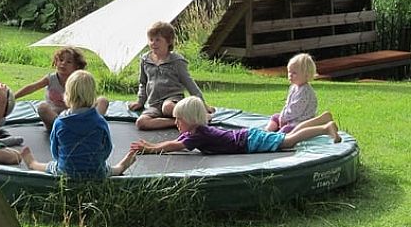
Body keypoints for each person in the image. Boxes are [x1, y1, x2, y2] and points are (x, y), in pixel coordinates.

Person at [131, 96, 341, 157]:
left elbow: (173, 146)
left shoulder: (197, 136)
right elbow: (176, 141)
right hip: (246, 137)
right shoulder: (196, 131)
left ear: (191, 120)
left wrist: (151, 148)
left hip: (248, 141)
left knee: (289, 140)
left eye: (179, 120)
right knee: (287, 135)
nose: (175, 123)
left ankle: (325, 128)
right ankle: (322, 121)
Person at [21, 70, 136, 178]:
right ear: (93, 95)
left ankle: (33, 164)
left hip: (66, 171)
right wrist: (99, 161)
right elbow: (107, 148)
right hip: (95, 172)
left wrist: (63, 161)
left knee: (51, 166)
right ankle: (121, 167)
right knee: (111, 170)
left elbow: (55, 150)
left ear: (67, 95)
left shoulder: (60, 122)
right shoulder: (100, 122)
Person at [128, 21, 212, 131]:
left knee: (167, 107)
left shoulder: (176, 61)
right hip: (154, 104)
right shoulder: (145, 59)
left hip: (173, 100)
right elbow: (143, 83)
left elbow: (189, 83)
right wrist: (140, 101)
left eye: (158, 40)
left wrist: (203, 105)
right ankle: (177, 122)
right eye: (151, 39)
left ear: (168, 41)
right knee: (141, 122)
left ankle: (196, 117)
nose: (153, 43)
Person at [14, 46, 108, 131]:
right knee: (42, 107)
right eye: (61, 60)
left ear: (77, 66)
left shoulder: (78, 80)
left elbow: (88, 97)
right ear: (56, 62)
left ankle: (95, 125)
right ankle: (66, 128)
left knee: (103, 100)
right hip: (55, 118)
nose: (63, 64)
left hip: (75, 114)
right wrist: (14, 97)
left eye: (69, 62)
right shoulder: (51, 78)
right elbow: (33, 87)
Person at [265, 53, 327, 133]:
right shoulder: (294, 87)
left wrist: (284, 118)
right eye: (289, 72)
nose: (290, 75)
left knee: (286, 129)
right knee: (275, 117)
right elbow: (288, 104)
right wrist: (281, 116)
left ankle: (276, 136)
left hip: (300, 122)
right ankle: (267, 131)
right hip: (290, 118)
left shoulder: (305, 92)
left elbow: (295, 110)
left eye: (294, 73)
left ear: (306, 75)